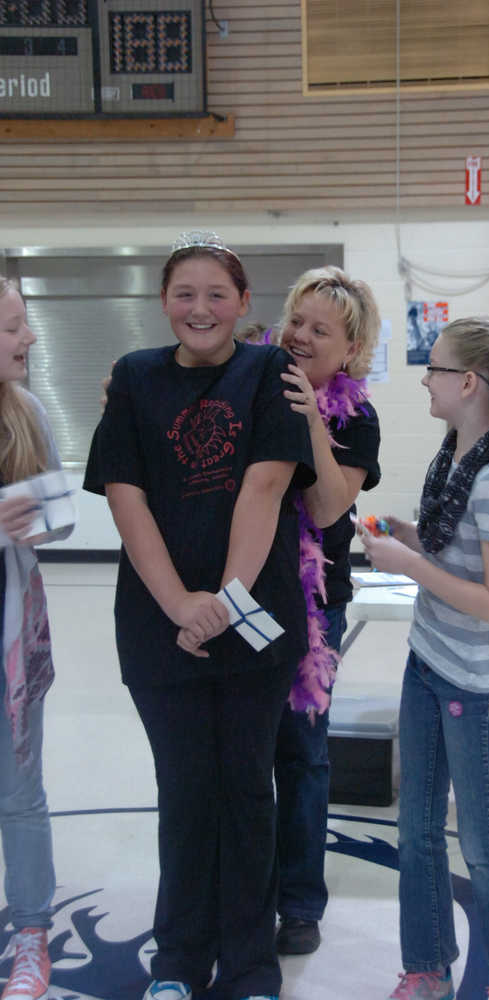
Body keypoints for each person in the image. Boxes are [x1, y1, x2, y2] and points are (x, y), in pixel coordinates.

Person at [83, 232, 316, 1000]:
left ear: (245, 304)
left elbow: (266, 486)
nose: (201, 307)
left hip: (254, 621)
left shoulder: (269, 370)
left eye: (217, 293)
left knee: (247, 787)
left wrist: (220, 603)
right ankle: (179, 958)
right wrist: (179, 603)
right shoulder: (133, 376)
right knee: (184, 790)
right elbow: (125, 493)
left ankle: (251, 965)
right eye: (185, 293)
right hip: (160, 625)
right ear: (163, 303)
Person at [360, 314, 489, 1000]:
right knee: (415, 831)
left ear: (468, 382)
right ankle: (428, 966)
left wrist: (408, 563)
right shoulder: (455, 459)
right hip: (429, 663)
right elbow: (455, 548)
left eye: (435, 368)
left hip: (475, 686)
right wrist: (409, 535)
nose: (425, 379)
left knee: (482, 839)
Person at [265, 267, 381, 955]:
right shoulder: (256, 384)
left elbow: (327, 506)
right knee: (246, 752)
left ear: (351, 351)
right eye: (297, 322)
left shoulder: (356, 418)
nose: (301, 337)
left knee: (304, 755)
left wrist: (309, 418)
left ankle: (300, 904)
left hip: (313, 608)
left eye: (320, 330)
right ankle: (246, 889)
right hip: (244, 597)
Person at [0, 277, 73, 1000]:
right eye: (14, 327)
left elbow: (63, 515)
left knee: (19, 793)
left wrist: (35, 511)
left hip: (13, 638)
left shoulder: (27, 411)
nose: (28, 339)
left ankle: (30, 933)